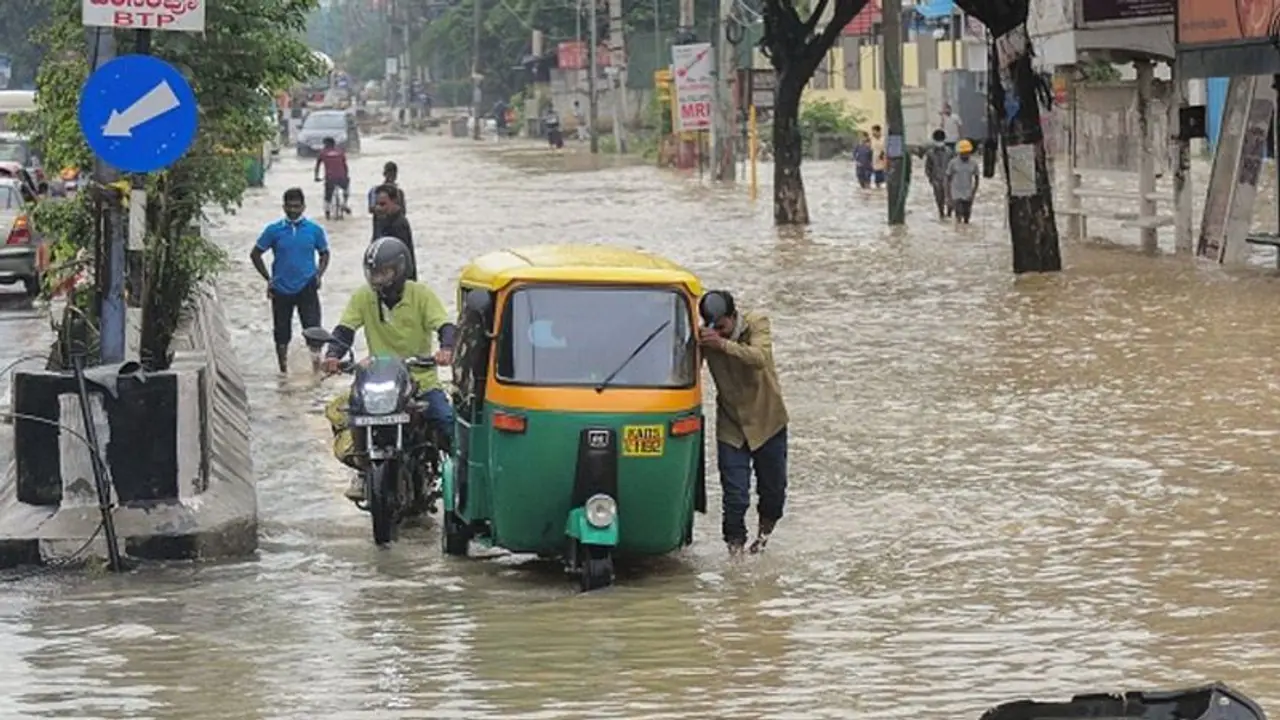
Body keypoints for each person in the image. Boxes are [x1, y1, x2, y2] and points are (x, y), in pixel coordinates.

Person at [321, 237, 457, 502]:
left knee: (447, 423)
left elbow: (445, 326)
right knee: (348, 416)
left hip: (420, 379)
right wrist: (333, 354)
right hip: (378, 378)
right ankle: (362, 470)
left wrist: (447, 348)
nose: (377, 279)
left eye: (383, 272)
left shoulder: (421, 295)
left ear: (400, 269)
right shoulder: (363, 296)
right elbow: (345, 329)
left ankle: (461, 482)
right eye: (373, 273)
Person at [697, 290, 789, 557]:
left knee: (773, 493)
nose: (718, 332)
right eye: (712, 327)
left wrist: (723, 345)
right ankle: (735, 555)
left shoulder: (756, 323)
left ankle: (761, 542)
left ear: (732, 316)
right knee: (735, 498)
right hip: (732, 426)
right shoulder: (705, 338)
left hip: (768, 421)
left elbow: (759, 358)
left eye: (722, 327)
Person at [249, 188, 331, 374]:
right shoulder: (273, 230)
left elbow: (324, 253)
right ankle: (283, 371)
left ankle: (316, 372)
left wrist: (319, 274)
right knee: (281, 334)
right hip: (281, 288)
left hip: (307, 286)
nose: (293, 210)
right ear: (284, 207)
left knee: (314, 331)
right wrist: (268, 279)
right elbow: (255, 254)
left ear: (303, 207)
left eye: (297, 206)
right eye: (290, 206)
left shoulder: (314, 230)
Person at [371, 184, 418, 281]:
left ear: (394, 202)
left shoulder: (400, 224)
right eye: (377, 204)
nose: (379, 208)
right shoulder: (378, 218)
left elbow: (404, 258)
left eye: (383, 204)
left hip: (399, 280)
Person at [313, 137, 351, 219]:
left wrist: (316, 177)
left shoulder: (322, 153)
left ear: (326, 144)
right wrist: (346, 176)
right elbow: (345, 166)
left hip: (330, 178)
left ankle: (327, 212)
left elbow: (317, 166)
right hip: (342, 177)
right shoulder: (340, 152)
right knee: (346, 188)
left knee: (327, 197)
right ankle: (345, 203)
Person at [367, 162, 406, 239]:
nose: (391, 176)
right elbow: (371, 209)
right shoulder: (376, 191)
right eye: (389, 173)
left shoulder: (399, 193)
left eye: (393, 174)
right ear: (384, 174)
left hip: (394, 235)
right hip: (381, 235)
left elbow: (403, 212)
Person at [946, 139, 980, 225]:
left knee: (967, 217)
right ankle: (958, 230)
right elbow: (948, 179)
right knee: (958, 214)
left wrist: (973, 193)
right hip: (956, 193)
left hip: (968, 193)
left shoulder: (974, 163)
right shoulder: (953, 163)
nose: (965, 155)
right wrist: (948, 196)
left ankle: (965, 232)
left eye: (967, 152)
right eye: (963, 152)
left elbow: (976, 179)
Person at [924, 129, 954, 220]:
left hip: (948, 179)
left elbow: (953, 165)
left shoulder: (949, 152)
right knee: (939, 199)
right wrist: (931, 179)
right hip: (936, 179)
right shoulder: (930, 153)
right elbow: (927, 167)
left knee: (950, 198)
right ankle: (941, 214)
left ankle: (949, 214)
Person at [869, 125, 887, 189]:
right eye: (872, 132)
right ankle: (878, 191)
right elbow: (870, 150)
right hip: (875, 160)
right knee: (876, 179)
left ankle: (881, 191)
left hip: (883, 160)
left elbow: (885, 149)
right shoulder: (872, 139)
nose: (873, 133)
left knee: (883, 178)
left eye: (874, 131)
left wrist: (882, 155)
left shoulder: (884, 139)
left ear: (879, 131)